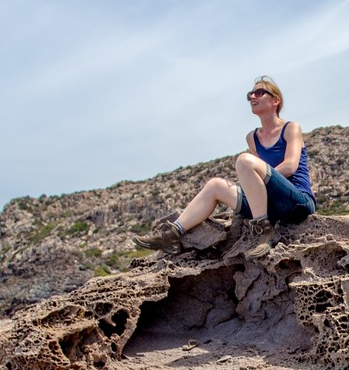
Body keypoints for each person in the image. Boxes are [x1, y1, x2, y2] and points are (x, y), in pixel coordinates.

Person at [135, 75, 315, 260]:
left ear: (275, 100)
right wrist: (252, 184)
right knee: (215, 185)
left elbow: (290, 166)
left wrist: (254, 178)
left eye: (259, 92)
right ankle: (172, 235)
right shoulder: (252, 138)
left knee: (244, 161)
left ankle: (264, 232)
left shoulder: (291, 128)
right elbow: (257, 174)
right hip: (270, 206)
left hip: (296, 203)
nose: (253, 97)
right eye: (250, 94)